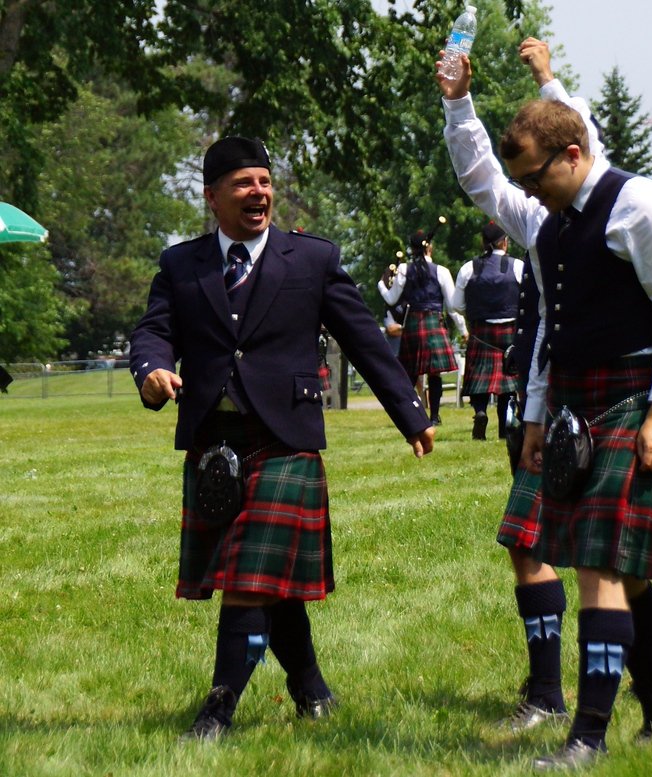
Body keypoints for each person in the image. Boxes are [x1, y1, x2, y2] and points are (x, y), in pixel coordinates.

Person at [438, 36, 652, 770]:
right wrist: (457, 103)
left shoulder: (638, 205)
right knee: (627, 569)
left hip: (629, 396)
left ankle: (586, 736)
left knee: (599, 565)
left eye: (539, 177)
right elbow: (485, 184)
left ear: (574, 155)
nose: (529, 194)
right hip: (571, 402)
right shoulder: (546, 219)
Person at [129, 136, 434, 741]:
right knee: (272, 581)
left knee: (248, 575)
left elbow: (364, 338)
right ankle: (311, 688)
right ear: (212, 196)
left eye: (265, 182)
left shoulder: (311, 260)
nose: (259, 193)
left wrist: (411, 412)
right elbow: (151, 334)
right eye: (243, 183)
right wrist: (151, 373)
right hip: (215, 444)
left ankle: (217, 709)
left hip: (286, 439)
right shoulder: (181, 265)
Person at [379, 230, 468, 425]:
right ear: (430, 247)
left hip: (413, 324)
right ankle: (434, 417)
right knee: (434, 373)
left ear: (412, 248)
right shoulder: (441, 271)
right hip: (434, 322)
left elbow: (391, 299)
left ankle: (409, 416)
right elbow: (453, 306)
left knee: (410, 374)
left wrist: (381, 284)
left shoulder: (403, 269)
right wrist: (462, 328)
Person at [451, 221, 524, 440]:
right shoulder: (518, 266)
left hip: (481, 331)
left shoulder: (467, 268)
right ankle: (504, 427)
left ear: (483, 243)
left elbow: (456, 305)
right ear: (505, 242)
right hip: (510, 330)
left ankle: (480, 411)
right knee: (508, 381)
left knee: (479, 379)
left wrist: (475, 313)